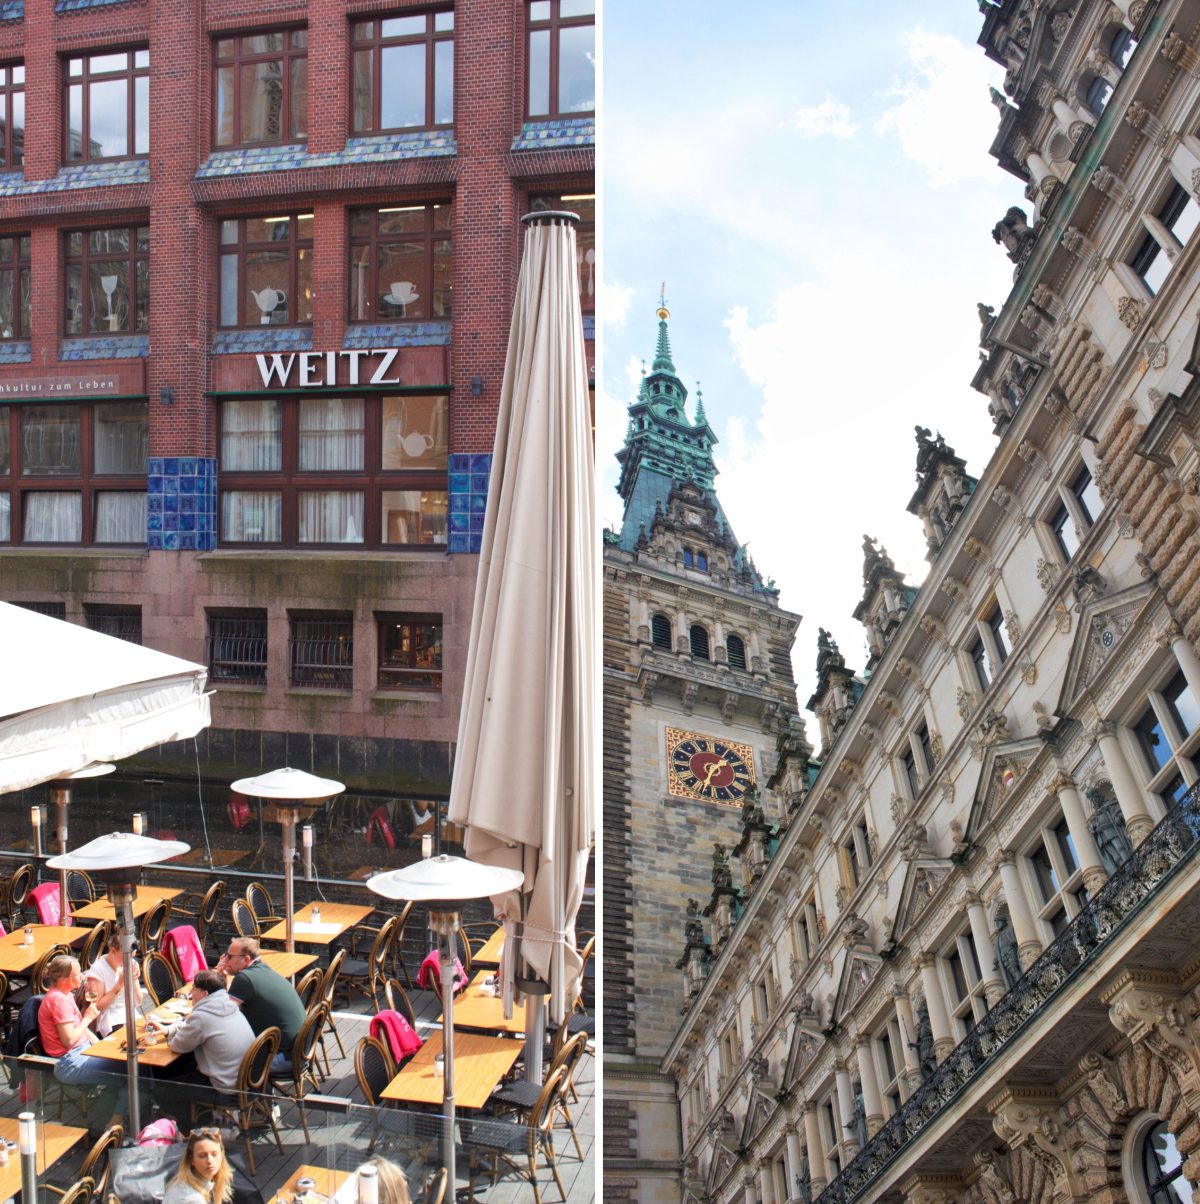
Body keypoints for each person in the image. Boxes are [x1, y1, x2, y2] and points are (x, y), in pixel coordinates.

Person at [39, 954, 125, 1123]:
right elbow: (69, 1040)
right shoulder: (58, 1001)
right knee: (132, 1073)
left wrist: (103, 1046)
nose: (83, 976)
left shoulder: (67, 995)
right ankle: (114, 1121)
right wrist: (88, 1017)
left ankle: (110, 1110)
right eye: (78, 974)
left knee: (129, 1066)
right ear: (64, 979)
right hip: (69, 1063)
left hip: (83, 1051)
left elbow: (82, 1030)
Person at [149, 970, 254, 1094]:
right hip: (247, 1079)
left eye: (194, 988)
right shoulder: (230, 1005)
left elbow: (177, 1046)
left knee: (161, 1088)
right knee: (187, 1062)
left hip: (225, 1086)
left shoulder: (201, 1017)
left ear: (204, 994)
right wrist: (168, 1030)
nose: (190, 992)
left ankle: (193, 1112)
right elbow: (195, 1027)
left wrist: (173, 1034)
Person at [216, 937, 306, 1071]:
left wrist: (219, 981)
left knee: (221, 1060)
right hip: (301, 1051)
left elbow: (223, 1015)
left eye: (229, 957)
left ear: (246, 959)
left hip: (283, 1058)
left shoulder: (244, 979)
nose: (225, 960)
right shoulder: (263, 968)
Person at [84, 932, 141, 1037]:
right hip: (109, 1020)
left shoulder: (131, 964)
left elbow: (138, 1002)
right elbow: (98, 1008)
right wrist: (119, 985)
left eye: (131, 956)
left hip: (130, 1014)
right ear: (113, 951)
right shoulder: (98, 970)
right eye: (125, 957)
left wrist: (134, 980)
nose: (129, 960)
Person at [162, 1126, 233, 1204]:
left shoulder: (182, 1183)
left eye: (214, 1154)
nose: (210, 1161)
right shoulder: (192, 1199)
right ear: (191, 1159)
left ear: (222, 1155)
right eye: (202, 1156)